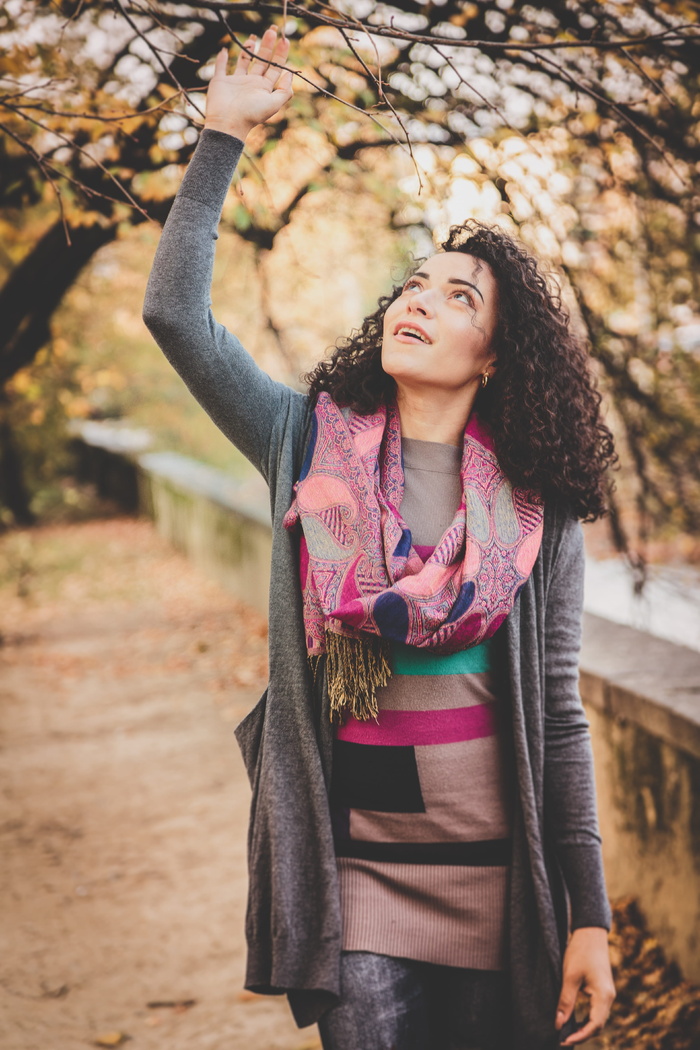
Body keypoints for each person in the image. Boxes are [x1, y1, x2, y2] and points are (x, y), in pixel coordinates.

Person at [143, 25, 617, 1050]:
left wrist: (590, 915)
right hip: (358, 888)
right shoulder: (303, 442)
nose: (421, 300)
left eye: (459, 297)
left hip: (501, 889)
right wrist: (221, 135)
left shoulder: (540, 506)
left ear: (494, 355)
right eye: (417, 282)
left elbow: (559, 720)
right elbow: (176, 315)